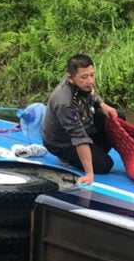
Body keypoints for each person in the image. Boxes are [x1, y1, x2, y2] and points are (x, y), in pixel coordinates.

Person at [42, 54, 120, 185]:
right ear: (71, 79)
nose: (90, 81)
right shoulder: (64, 103)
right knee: (105, 165)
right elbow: (78, 137)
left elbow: (92, 94)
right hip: (63, 142)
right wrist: (89, 174)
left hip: (84, 125)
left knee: (114, 116)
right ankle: (66, 157)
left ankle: (93, 153)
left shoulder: (82, 83)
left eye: (92, 75)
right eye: (84, 77)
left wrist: (102, 104)